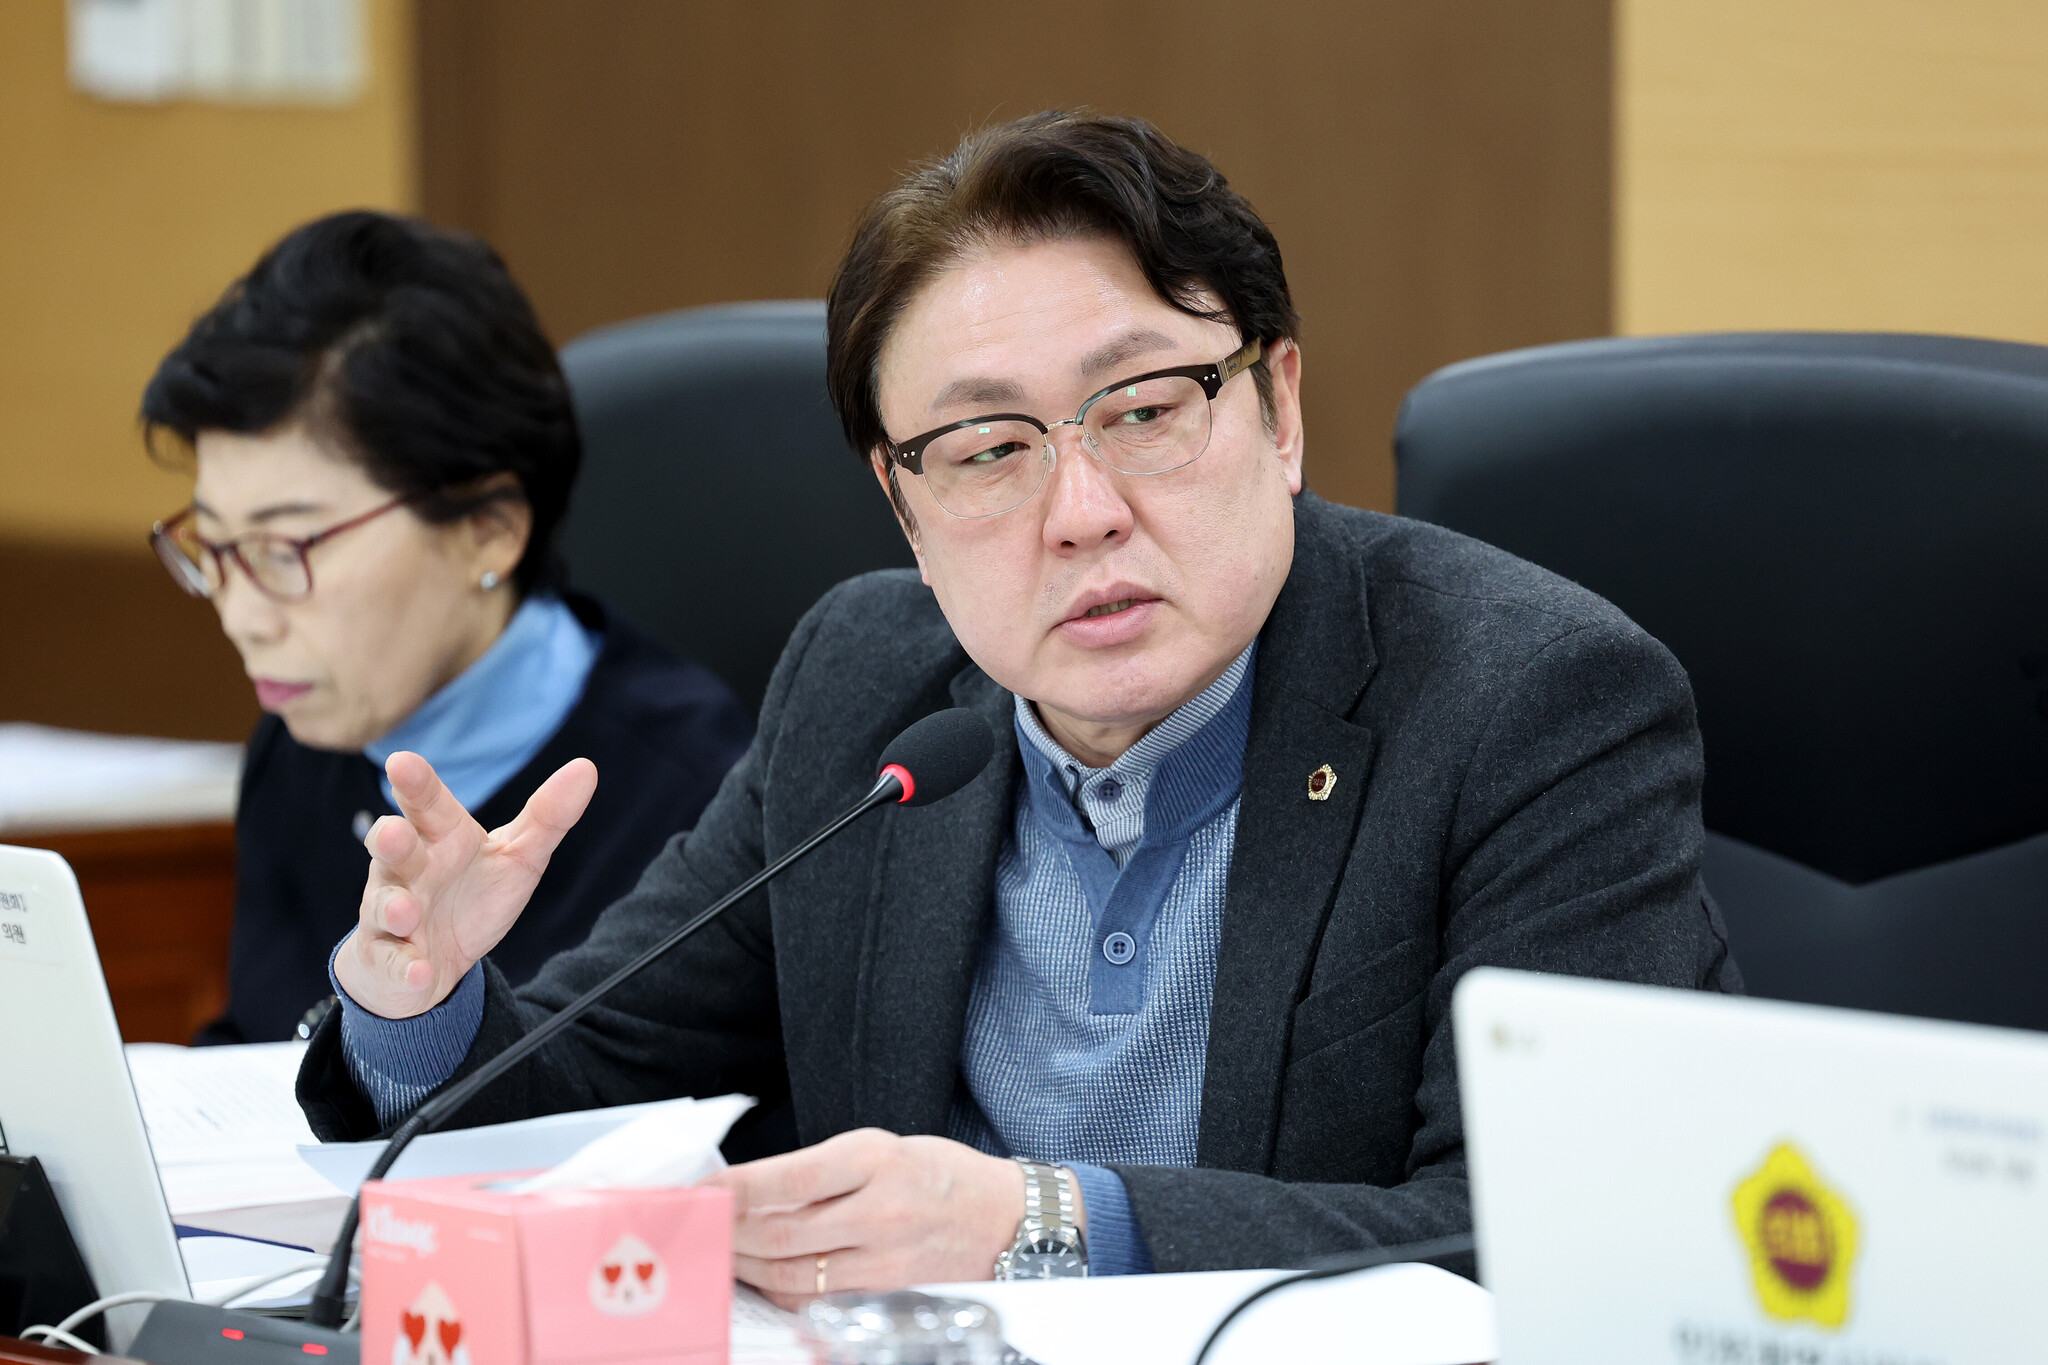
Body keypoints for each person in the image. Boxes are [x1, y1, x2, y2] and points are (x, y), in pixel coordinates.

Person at [297, 114, 1739, 1298]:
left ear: (1280, 410)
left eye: (1145, 411)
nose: (1082, 511)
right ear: (904, 507)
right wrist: (420, 1007)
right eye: (988, 449)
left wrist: (1039, 1223)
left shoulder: (1528, 701)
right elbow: (587, 1092)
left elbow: (1555, 1234)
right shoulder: (865, 689)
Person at [143, 210, 754, 1046]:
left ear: (488, 529)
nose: (240, 616)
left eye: (285, 549)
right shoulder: (300, 749)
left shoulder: (695, 799)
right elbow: (256, 1051)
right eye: (215, 546)